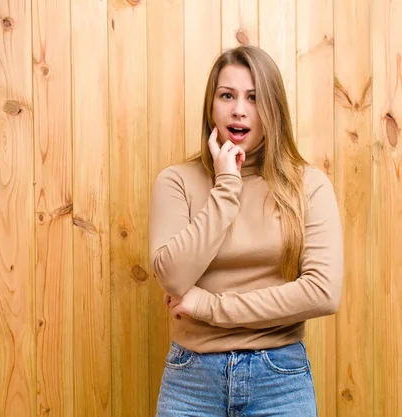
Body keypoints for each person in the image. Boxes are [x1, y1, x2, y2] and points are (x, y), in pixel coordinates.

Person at [148, 44, 343, 416]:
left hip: (280, 379)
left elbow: (322, 292)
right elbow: (173, 277)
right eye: (227, 95)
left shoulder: (309, 185)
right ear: (211, 106)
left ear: (273, 110)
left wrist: (210, 306)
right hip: (192, 381)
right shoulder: (177, 182)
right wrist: (226, 186)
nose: (239, 108)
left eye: (254, 97)